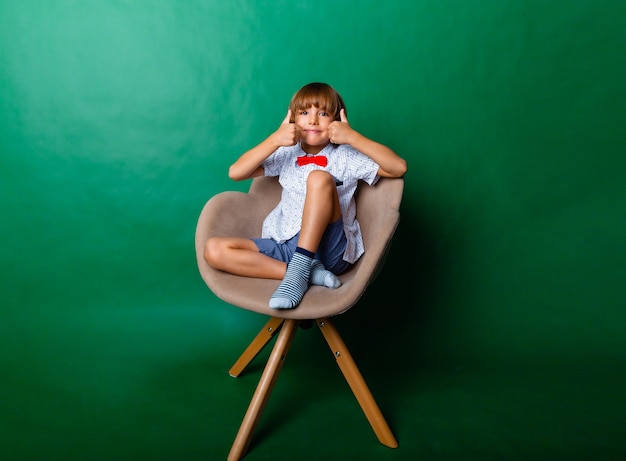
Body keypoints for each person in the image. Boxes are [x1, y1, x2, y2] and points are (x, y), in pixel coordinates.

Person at [204, 82, 407, 309]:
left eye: (322, 113)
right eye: (304, 113)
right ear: (293, 120)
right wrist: (275, 140)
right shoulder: (287, 153)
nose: (312, 120)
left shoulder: (345, 157)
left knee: (318, 178)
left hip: (330, 248)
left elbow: (397, 167)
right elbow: (236, 172)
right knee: (214, 250)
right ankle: (306, 273)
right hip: (286, 243)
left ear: (336, 122)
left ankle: (302, 265)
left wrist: (353, 138)